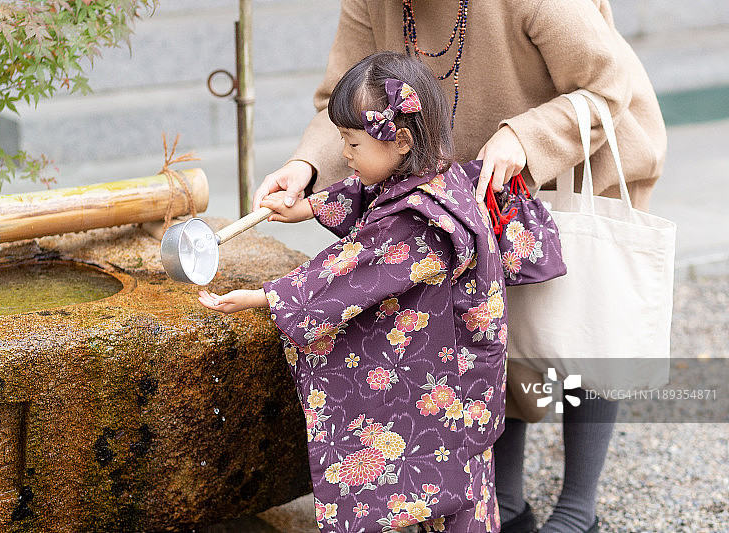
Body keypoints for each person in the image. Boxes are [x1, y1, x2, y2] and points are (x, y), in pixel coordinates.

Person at [252, 2, 667, 533]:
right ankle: (509, 500)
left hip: (580, 163)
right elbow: (345, 99)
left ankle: (577, 507)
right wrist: (306, 167)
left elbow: (610, 86)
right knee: (489, 324)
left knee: (586, 322)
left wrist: (526, 136)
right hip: (471, 183)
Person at [200, 51, 508, 532]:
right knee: (448, 478)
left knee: (436, 488)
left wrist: (265, 296)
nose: (344, 154)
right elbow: (370, 195)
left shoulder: (419, 222)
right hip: (452, 365)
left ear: (402, 140)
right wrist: (310, 207)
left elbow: (353, 267)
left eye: (352, 142)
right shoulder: (434, 178)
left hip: (450, 376)